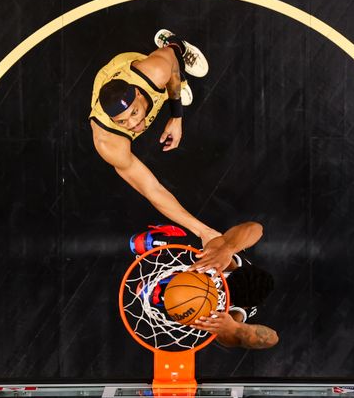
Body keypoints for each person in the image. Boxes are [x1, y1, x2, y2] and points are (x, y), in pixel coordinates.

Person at [90, 30, 221, 246]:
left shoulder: (154, 71)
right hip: (107, 76)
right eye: (121, 122)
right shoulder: (108, 141)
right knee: (169, 84)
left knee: (172, 63)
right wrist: (202, 231)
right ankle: (173, 88)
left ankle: (179, 78)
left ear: (139, 95)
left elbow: (174, 50)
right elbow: (152, 189)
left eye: (133, 113)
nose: (133, 125)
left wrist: (177, 117)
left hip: (133, 62)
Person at [130, 222, 279, 350]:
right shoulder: (230, 265)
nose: (218, 289)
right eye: (221, 286)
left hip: (195, 299)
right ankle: (166, 238)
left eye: (222, 293)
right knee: (212, 241)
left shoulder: (236, 313)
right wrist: (227, 249)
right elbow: (257, 228)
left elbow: (272, 339)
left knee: (190, 300)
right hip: (205, 268)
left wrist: (234, 328)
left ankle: (165, 293)